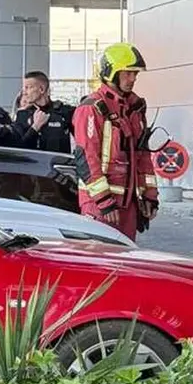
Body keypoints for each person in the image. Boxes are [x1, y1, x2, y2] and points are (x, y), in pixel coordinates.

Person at [71, 42, 160, 241]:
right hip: (99, 205)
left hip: (128, 206)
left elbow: (143, 158)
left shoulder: (134, 109)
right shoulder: (91, 108)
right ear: (111, 73)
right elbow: (87, 158)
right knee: (100, 264)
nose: (133, 78)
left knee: (124, 263)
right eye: (128, 73)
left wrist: (150, 196)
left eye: (135, 74)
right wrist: (103, 200)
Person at [14, 71, 74, 154]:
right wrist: (35, 127)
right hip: (31, 165)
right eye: (24, 88)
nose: (25, 92)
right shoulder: (23, 115)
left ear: (41, 89)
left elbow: (82, 141)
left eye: (28, 87)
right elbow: (18, 149)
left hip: (57, 165)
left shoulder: (64, 112)